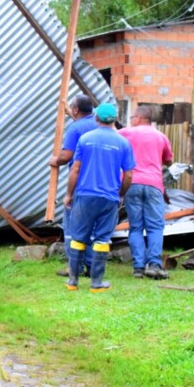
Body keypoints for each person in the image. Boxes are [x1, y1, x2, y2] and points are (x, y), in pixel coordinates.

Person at [64, 102, 135, 293]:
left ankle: (72, 282)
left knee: (78, 237)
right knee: (102, 239)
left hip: (85, 195)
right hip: (109, 198)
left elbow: (75, 169)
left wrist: (69, 194)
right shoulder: (123, 142)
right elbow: (128, 175)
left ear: (96, 118)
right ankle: (96, 284)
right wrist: (120, 195)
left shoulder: (85, 139)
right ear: (114, 119)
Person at [118, 105, 173, 280]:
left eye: (133, 117)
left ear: (140, 118)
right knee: (155, 226)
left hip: (131, 183)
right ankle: (155, 265)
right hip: (154, 185)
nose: (131, 120)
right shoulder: (161, 136)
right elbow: (169, 161)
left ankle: (138, 268)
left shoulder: (126, 133)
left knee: (136, 226)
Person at [49, 94, 97, 278]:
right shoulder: (99, 124)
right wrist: (69, 112)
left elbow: (66, 156)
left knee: (71, 226)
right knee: (91, 227)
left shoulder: (75, 129)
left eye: (72, 107)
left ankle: (74, 267)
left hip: (79, 184)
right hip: (98, 184)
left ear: (76, 110)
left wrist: (55, 160)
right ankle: (92, 265)